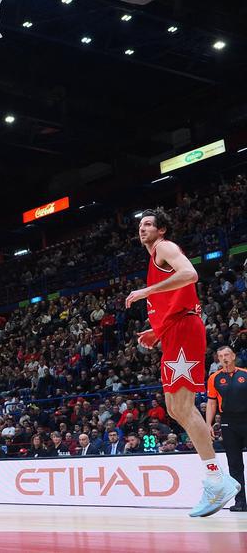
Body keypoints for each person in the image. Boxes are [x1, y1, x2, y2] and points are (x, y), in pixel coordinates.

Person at [126, 209, 241, 516]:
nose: (142, 229)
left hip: (184, 329)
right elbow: (176, 298)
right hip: (174, 330)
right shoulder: (155, 258)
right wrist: (157, 331)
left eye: (148, 224)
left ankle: (216, 479)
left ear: (161, 230)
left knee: (183, 406)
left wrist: (146, 291)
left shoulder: (164, 247)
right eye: (140, 225)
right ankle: (216, 478)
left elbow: (190, 274)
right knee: (176, 408)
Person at [206, 345, 247, 511]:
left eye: (227, 354)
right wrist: (208, 424)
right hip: (228, 422)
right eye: (221, 356)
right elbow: (211, 403)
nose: (224, 358)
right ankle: (240, 502)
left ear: (233, 356)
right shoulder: (214, 378)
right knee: (234, 464)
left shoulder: (245, 374)